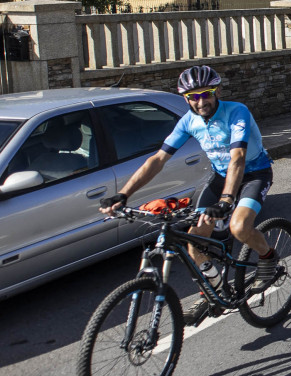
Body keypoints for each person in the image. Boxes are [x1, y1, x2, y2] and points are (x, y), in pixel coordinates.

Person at [99, 65, 278, 324]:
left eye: (206, 94)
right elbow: (158, 159)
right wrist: (123, 194)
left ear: (216, 92)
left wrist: (227, 200)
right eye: (193, 97)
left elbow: (237, 156)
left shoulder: (237, 111)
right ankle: (213, 294)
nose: (201, 101)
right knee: (194, 241)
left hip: (254, 174)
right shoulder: (188, 122)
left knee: (239, 227)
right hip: (220, 178)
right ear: (186, 99)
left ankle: (268, 257)